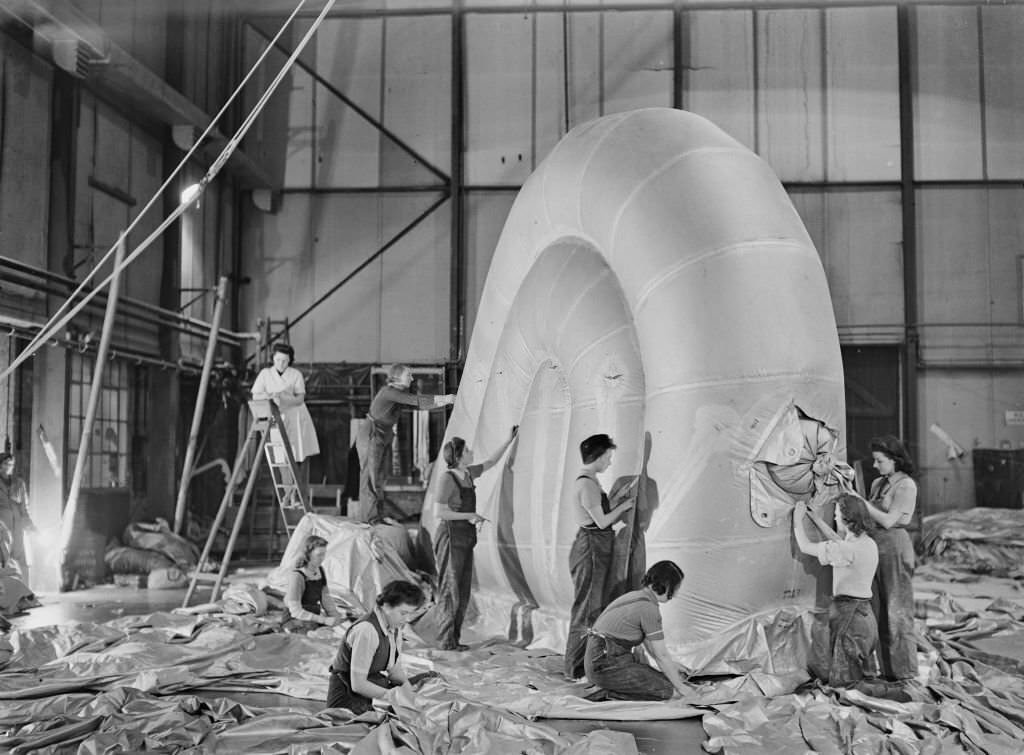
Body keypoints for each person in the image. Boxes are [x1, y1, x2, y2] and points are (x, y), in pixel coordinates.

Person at [433, 427, 518, 651]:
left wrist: (508, 441)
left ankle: (454, 640)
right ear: (459, 456)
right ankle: (445, 641)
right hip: (450, 537)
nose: (471, 452)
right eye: (467, 450)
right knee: (449, 589)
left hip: (465, 538)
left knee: (462, 589)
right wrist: (470, 515)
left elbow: (491, 462)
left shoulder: (468, 474)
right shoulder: (447, 479)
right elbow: (440, 512)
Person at [564, 433, 638, 679]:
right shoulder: (586, 483)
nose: (609, 462)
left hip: (595, 545)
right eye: (607, 457)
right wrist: (623, 507)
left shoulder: (590, 480)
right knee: (587, 609)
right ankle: (575, 669)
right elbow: (603, 521)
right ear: (596, 456)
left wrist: (616, 500)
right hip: (592, 547)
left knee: (591, 607)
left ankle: (581, 665)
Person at [792, 495, 879, 687]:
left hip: (849, 617)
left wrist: (797, 519)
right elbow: (839, 541)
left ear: (848, 519)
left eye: (838, 515)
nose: (836, 518)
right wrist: (817, 520)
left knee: (845, 683)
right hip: (866, 615)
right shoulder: (867, 543)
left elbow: (805, 547)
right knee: (862, 675)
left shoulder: (846, 549)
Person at [357, 365, 454, 523]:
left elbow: (419, 404)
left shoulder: (399, 394)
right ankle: (369, 519)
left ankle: (376, 517)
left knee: (380, 478)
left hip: (383, 436)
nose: (412, 378)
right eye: (409, 375)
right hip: (372, 435)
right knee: (370, 478)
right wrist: (447, 398)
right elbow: (416, 400)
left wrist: (445, 401)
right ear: (397, 377)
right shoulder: (389, 392)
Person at [583, 560, 690, 700]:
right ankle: (609, 694)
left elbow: (653, 649)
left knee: (670, 680)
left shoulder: (637, 596)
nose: (675, 594)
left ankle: (611, 687)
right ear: (666, 585)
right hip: (606, 666)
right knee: (671, 692)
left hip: (601, 662)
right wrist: (682, 688)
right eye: (675, 589)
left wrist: (673, 666)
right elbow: (661, 655)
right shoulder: (649, 609)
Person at [327, 579, 433, 713]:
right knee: (379, 728)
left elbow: (394, 671)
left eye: (411, 614)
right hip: (347, 696)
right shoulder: (367, 630)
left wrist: (409, 692)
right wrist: (395, 697)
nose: (407, 619)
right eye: (403, 613)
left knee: (431, 679)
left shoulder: (395, 627)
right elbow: (358, 685)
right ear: (386, 606)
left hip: (372, 685)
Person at [864, 435, 918, 681]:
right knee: (876, 611)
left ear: (895, 460)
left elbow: (887, 520)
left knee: (897, 612)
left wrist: (860, 504)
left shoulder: (906, 485)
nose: (875, 466)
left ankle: (904, 674)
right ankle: (885, 672)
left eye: (880, 461)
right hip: (874, 547)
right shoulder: (877, 483)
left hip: (895, 547)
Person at [251, 343, 320, 465]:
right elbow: (256, 395)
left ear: (290, 360)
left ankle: (297, 482)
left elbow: (300, 399)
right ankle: (285, 481)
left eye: (285, 361)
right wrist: (270, 396)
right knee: (278, 453)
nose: (281, 364)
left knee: (296, 453)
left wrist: (284, 398)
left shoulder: (295, 374)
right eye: (278, 360)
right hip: (274, 415)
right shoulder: (265, 373)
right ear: (273, 358)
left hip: (295, 415)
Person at [282, 535, 345, 632]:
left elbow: (325, 597)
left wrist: (335, 616)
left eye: (324, 554)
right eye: (319, 555)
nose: (322, 558)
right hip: (295, 619)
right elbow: (295, 611)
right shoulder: (297, 576)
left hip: (312, 616)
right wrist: (324, 620)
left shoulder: (320, 570)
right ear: (308, 554)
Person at [0, 453, 34, 581]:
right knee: (4, 561)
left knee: (21, 560)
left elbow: (24, 508)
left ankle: (24, 594)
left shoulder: (19, 484)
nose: (9, 466)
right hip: (2, 529)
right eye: (5, 464)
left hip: (18, 529)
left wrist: (30, 526)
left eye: (11, 464)